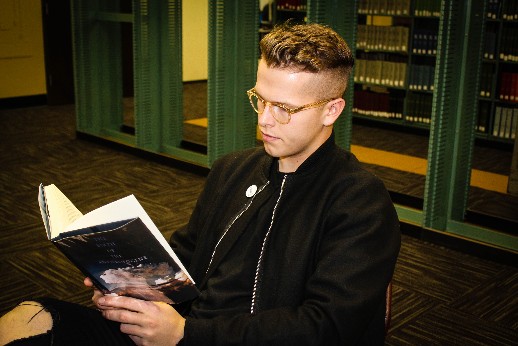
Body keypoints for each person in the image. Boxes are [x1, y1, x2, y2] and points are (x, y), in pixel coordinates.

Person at [0, 22, 400, 345]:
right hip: (178, 328)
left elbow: (328, 327)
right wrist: (136, 285)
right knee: (28, 317)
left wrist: (186, 334)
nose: (264, 120)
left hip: (203, 336)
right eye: (260, 99)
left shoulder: (359, 203)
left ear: (331, 110)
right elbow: (187, 256)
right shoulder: (232, 169)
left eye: (285, 108)